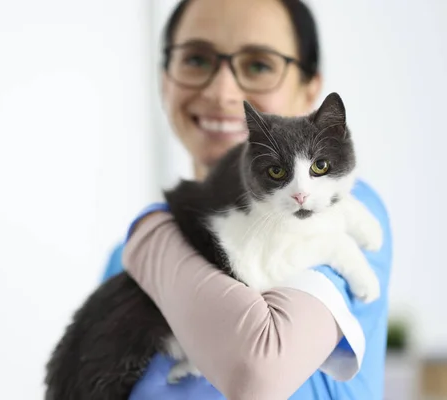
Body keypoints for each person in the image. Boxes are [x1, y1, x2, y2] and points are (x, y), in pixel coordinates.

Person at [102, 0, 393, 398]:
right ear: (163, 78)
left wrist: (154, 238)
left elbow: (260, 371)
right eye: (196, 60)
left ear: (310, 86)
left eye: (258, 65)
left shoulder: (343, 211)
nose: (223, 92)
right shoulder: (123, 257)